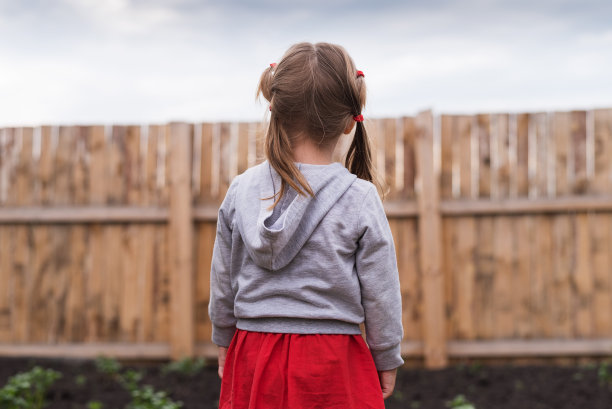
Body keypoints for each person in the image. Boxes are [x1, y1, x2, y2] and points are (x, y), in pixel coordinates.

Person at [208, 41, 404, 409]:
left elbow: (223, 280)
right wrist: (387, 356)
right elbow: (381, 293)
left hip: (253, 351)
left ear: (274, 109)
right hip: (332, 361)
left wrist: (224, 339)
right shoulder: (358, 197)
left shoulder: (241, 190)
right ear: (349, 121)